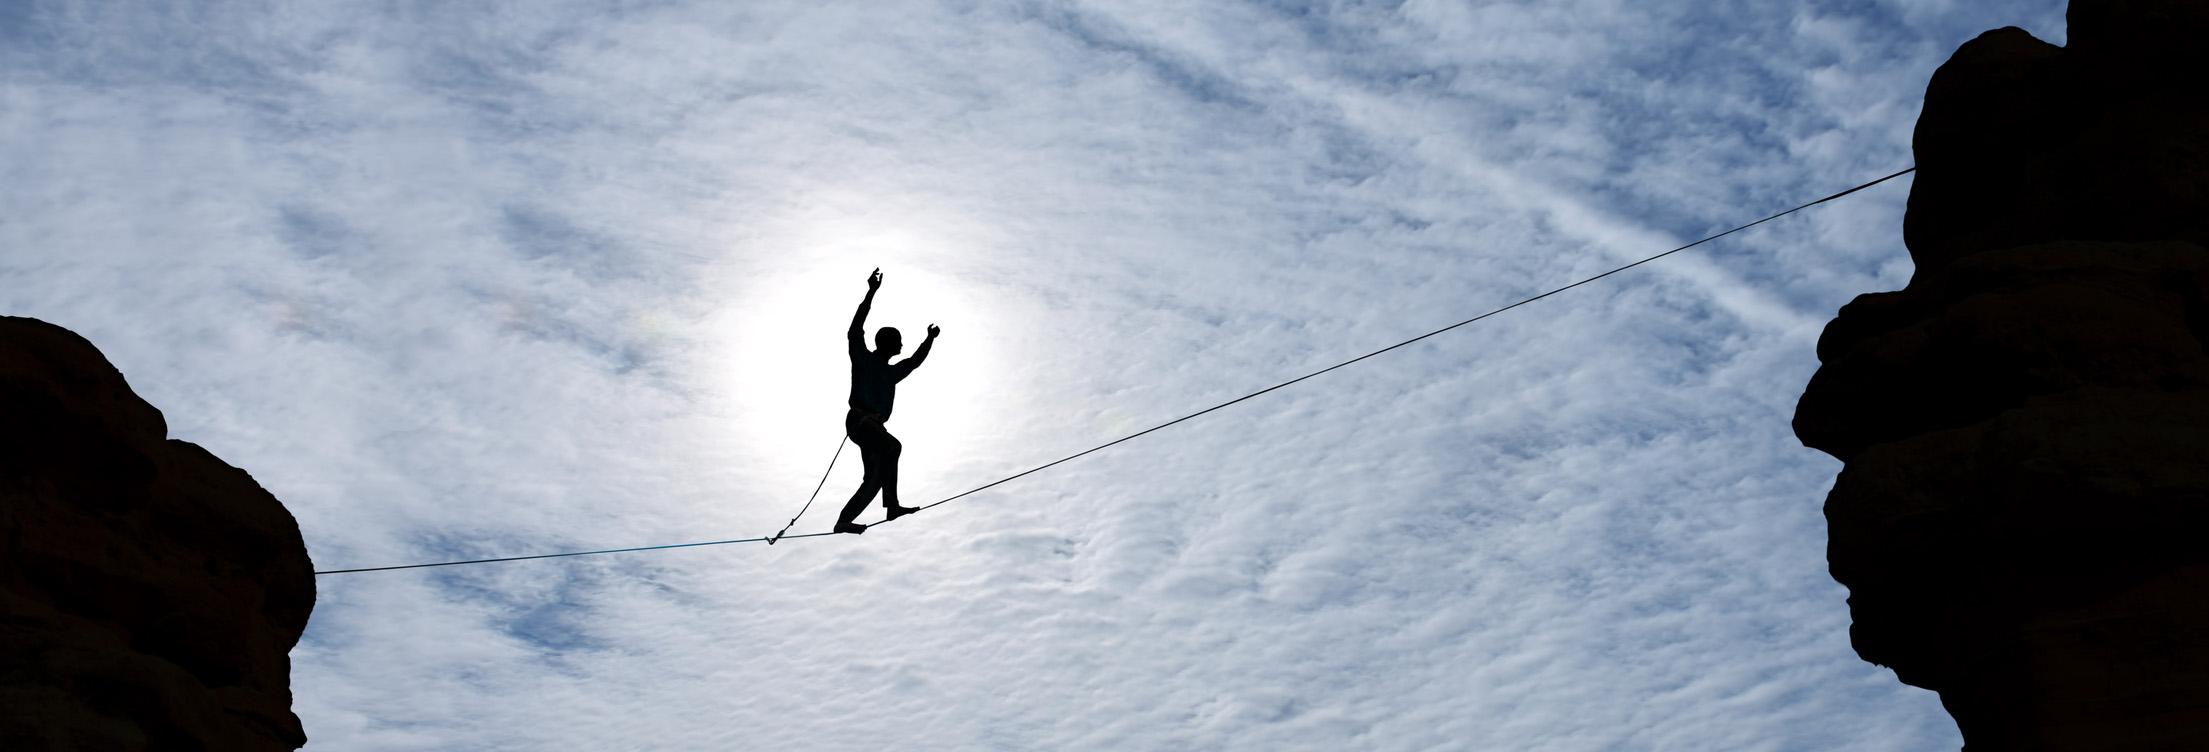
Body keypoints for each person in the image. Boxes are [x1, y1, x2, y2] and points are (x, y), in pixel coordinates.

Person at [835, 268, 939, 535]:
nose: (902, 346)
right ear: (888, 343)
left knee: (874, 478)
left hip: (874, 427)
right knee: (892, 448)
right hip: (860, 420)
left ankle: (844, 520)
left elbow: (914, 362)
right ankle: (891, 505)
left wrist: (929, 339)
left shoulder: (892, 373)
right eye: (900, 342)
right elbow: (855, 330)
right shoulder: (863, 358)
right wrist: (871, 292)